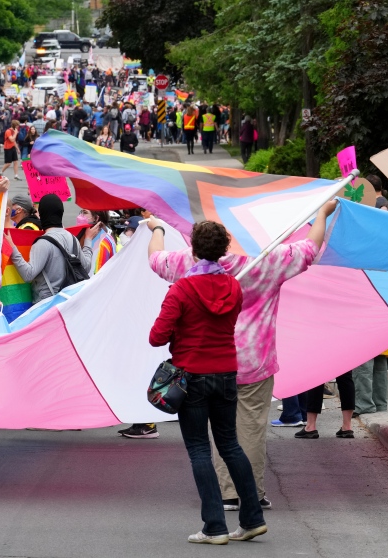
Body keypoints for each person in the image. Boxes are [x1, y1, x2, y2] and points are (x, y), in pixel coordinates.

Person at [147, 199, 338, 512]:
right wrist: (321, 213)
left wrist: (155, 228)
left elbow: (155, 258)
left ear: (196, 246)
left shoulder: (186, 265)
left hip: (202, 365)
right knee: (248, 430)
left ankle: (225, 494)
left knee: (212, 433)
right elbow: (309, 248)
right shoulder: (267, 260)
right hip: (254, 360)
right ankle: (250, 494)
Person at [148, 220, 267, 545]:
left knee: (200, 448)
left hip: (192, 377)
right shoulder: (233, 286)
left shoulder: (181, 289)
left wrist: (180, 332)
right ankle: (252, 518)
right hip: (228, 372)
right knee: (230, 445)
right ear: (224, 250)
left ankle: (214, 526)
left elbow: (156, 337)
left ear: (194, 249)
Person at [7, 194, 97, 302]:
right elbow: (86, 266)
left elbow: (28, 274)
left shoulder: (43, 243)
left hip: (46, 305)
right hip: (68, 302)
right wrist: (88, 240)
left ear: (42, 214)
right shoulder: (72, 238)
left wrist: (12, 248)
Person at [76, 208, 116, 275]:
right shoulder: (84, 235)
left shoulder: (103, 242)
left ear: (96, 218)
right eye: (81, 212)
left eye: (85, 213)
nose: (80, 216)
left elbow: (99, 275)